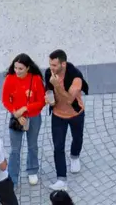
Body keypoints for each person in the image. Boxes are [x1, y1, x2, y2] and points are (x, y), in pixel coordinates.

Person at [1, 54, 45, 187]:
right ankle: (13, 177)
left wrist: (25, 108)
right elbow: (5, 100)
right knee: (15, 149)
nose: (17, 71)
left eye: (20, 68)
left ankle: (32, 170)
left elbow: (42, 101)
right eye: (15, 68)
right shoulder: (10, 78)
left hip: (33, 117)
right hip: (16, 118)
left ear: (28, 68)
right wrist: (16, 113)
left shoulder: (36, 79)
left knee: (32, 146)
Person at [45, 51, 85, 189]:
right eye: (50, 64)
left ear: (63, 63)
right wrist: (49, 99)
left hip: (75, 113)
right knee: (58, 147)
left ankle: (74, 156)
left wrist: (56, 85)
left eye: (54, 65)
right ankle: (61, 179)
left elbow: (69, 99)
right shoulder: (48, 73)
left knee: (77, 138)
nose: (51, 68)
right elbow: (49, 90)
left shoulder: (76, 76)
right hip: (58, 115)